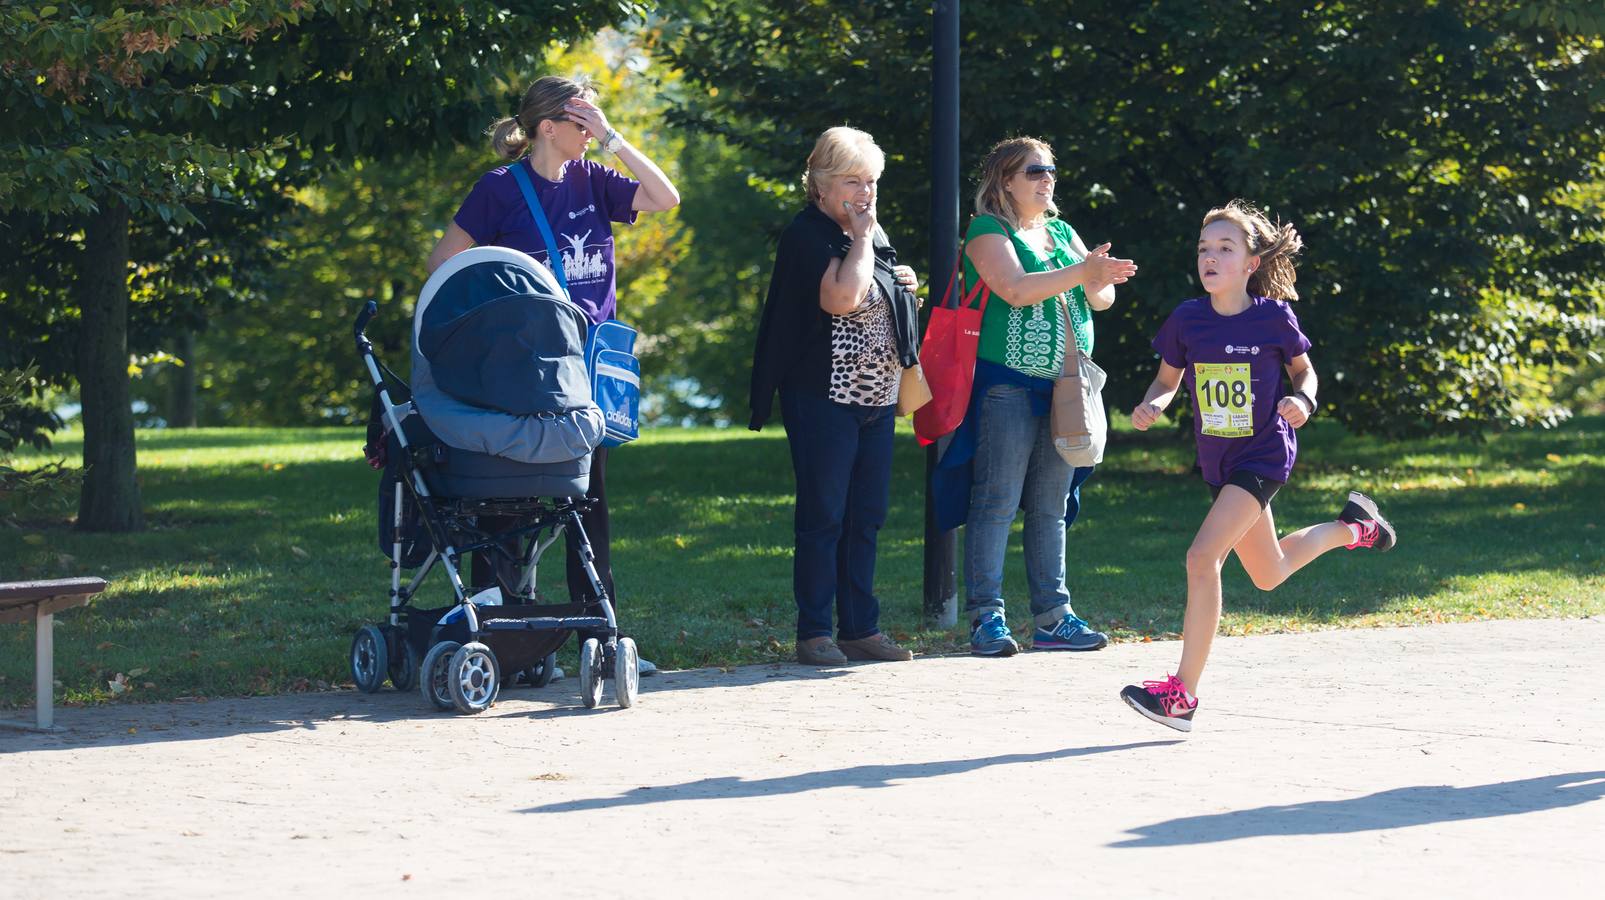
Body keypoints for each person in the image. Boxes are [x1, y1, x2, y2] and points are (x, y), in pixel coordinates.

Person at [426, 74, 680, 674]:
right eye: (583, 121)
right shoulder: (499, 190)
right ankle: (509, 641)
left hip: (590, 371)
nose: (591, 131)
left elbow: (665, 197)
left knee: (588, 500)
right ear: (548, 127)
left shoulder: (594, 180)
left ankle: (602, 632)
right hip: (523, 373)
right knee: (507, 500)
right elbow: (444, 264)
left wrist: (614, 138)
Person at [1120, 199, 1396, 733]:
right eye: (1204, 249)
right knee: (1268, 573)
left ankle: (1182, 696)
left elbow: (1305, 372)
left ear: (1250, 263)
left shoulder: (1272, 317)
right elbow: (1167, 378)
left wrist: (1305, 402)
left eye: (1226, 248)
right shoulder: (1187, 319)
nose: (1211, 257)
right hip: (1218, 460)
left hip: (1264, 453)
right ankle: (1354, 528)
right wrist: (1156, 402)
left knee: (1202, 558)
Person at [934, 137, 1137, 658]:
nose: (1047, 179)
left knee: (1051, 505)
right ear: (1005, 181)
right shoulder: (988, 229)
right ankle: (987, 619)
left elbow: (1102, 298)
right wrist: (1083, 272)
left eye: (1050, 170)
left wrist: (1099, 278)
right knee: (997, 500)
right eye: (1033, 171)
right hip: (1008, 382)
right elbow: (1017, 288)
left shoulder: (1063, 231)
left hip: (1066, 387)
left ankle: (1053, 616)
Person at [749, 126, 922, 666]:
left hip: (876, 394)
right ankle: (814, 632)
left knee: (866, 515)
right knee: (825, 514)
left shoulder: (871, 231)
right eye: (852, 180)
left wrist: (904, 282)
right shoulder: (810, 234)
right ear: (821, 184)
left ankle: (861, 628)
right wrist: (865, 239)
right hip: (822, 394)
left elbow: (880, 288)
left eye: (871, 181)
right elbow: (843, 298)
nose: (865, 192)